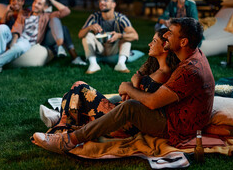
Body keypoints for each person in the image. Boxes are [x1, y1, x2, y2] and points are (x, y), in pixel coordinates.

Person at [32, 17, 215, 154]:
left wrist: (129, 89)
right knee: (113, 100)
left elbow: (151, 102)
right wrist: (133, 85)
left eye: (170, 33)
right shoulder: (190, 57)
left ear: (183, 42)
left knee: (128, 107)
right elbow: (146, 75)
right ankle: (64, 120)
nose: (165, 35)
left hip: (175, 126)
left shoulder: (190, 69)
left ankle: (68, 140)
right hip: (172, 113)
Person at [39, 28, 180, 137]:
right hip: (122, 109)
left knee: (79, 86)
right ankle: (61, 120)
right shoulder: (154, 66)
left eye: (154, 41)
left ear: (165, 46)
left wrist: (130, 89)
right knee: (71, 96)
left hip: (126, 122)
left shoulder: (164, 75)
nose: (149, 44)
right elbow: (136, 79)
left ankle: (61, 125)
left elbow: (145, 105)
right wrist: (133, 85)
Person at [0, 0, 70, 76]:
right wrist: (13, 42)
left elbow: (66, 11)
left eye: (39, 4)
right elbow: (17, 28)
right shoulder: (23, 14)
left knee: (20, 47)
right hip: (16, 37)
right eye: (35, 1)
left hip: (27, 41)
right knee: (1, 28)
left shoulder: (47, 16)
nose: (35, 5)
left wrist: (51, 0)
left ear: (45, 7)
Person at [78, 0, 139, 74]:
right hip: (100, 48)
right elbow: (80, 35)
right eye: (100, 1)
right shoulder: (94, 17)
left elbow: (135, 36)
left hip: (114, 48)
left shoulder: (121, 18)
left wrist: (119, 35)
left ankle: (120, 64)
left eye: (105, 0)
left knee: (126, 37)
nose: (102, 2)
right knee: (87, 35)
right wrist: (89, 28)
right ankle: (93, 64)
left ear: (113, 4)